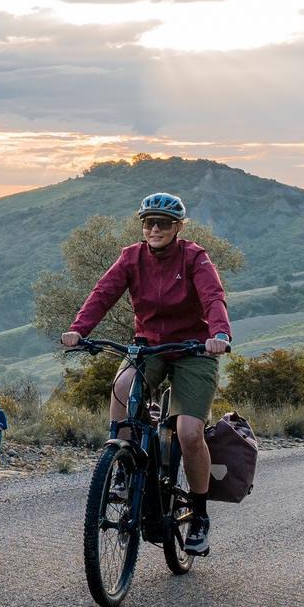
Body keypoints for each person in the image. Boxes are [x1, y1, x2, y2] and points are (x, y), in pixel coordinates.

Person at [60, 192, 232, 556]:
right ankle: (122, 466)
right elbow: (102, 294)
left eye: (164, 223)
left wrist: (219, 334)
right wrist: (78, 329)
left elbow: (213, 297)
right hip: (149, 346)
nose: (155, 229)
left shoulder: (195, 257)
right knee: (122, 387)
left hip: (193, 350)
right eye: (149, 222)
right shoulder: (131, 257)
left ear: (178, 227)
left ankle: (199, 514)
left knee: (189, 432)